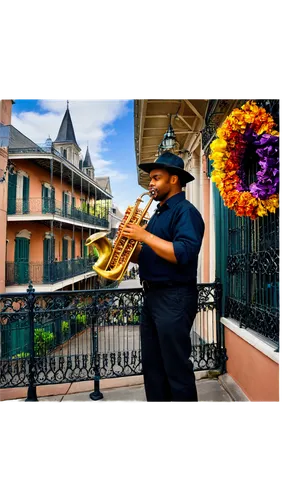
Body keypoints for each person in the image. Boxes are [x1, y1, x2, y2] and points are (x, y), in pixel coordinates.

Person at [122, 151, 205, 408]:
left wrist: (143, 236)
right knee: (154, 368)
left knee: (176, 370)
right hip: (153, 296)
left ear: (174, 180)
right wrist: (123, 246)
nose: (151, 183)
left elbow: (182, 253)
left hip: (175, 297)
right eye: (151, 179)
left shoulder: (186, 212)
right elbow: (149, 256)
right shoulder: (159, 213)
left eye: (156, 178)